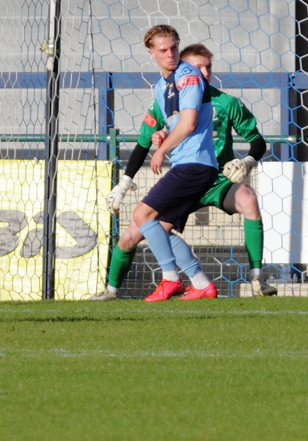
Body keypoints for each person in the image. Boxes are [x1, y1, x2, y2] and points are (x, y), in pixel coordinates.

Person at [96, 44, 275, 300]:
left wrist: (246, 162)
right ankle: (112, 291)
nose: (204, 72)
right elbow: (143, 144)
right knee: (132, 234)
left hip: (218, 181)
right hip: (186, 182)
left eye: (208, 67)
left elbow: (258, 141)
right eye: (197, 67)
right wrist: (124, 183)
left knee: (247, 198)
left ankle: (257, 277)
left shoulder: (226, 102)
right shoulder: (165, 102)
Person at [102, 25, 219, 302]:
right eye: (164, 49)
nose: (170, 54)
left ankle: (170, 278)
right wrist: (163, 135)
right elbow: (179, 124)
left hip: (195, 164)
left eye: (174, 47)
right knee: (159, 225)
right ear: (151, 53)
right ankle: (202, 284)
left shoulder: (188, 76)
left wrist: (162, 150)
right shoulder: (160, 87)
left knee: (142, 215)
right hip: (187, 164)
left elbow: (189, 124)